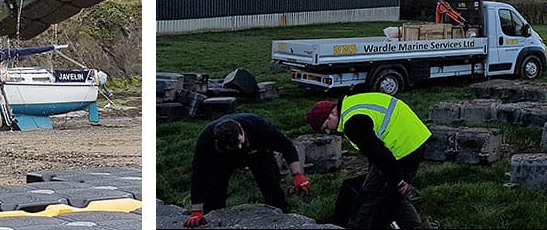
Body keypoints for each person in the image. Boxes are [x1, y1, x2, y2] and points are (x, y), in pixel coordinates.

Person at [308, 93, 431, 229]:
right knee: (392, 197)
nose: (328, 132)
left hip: (400, 149)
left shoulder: (352, 123)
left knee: (369, 200)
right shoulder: (351, 104)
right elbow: (374, 151)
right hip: (414, 138)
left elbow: (380, 154)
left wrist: (397, 180)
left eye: (326, 126)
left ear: (331, 114)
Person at [184, 113, 311, 228]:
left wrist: (297, 174)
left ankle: (281, 217)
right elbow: (199, 174)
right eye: (234, 146)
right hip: (223, 160)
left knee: (270, 185)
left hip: (257, 153)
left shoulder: (259, 127)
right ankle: (213, 219)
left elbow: (287, 146)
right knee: (214, 191)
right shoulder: (206, 141)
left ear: (242, 132)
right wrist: (196, 210)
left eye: (240, 143)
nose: (239, 148)